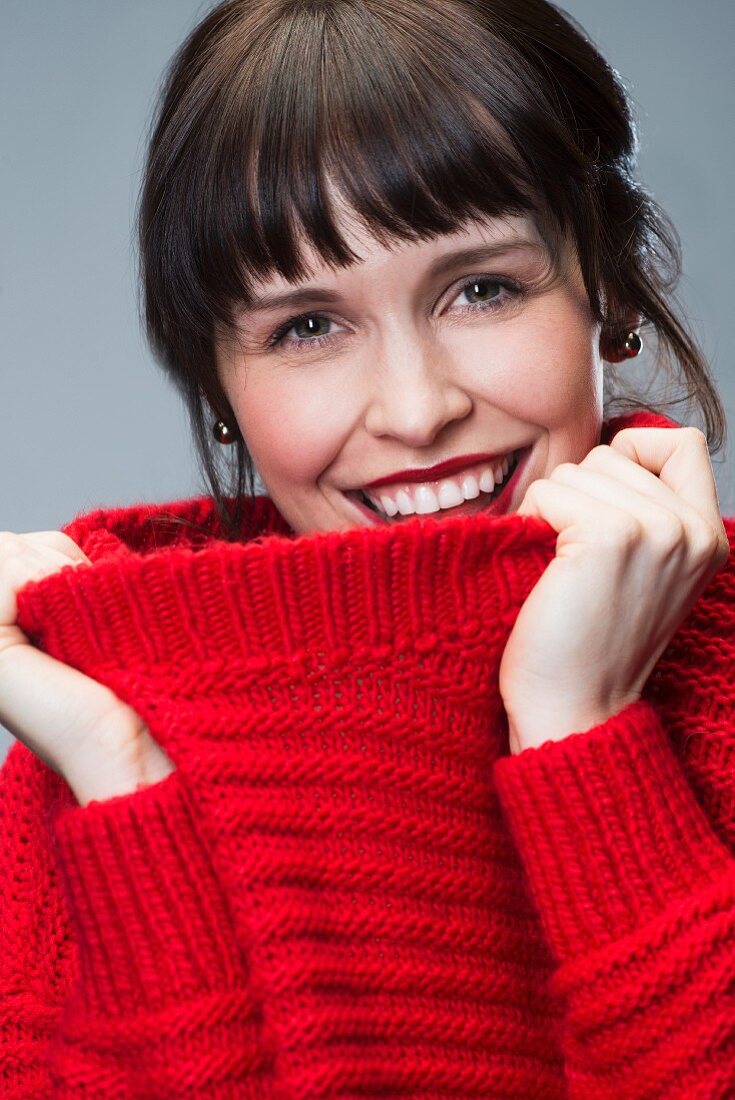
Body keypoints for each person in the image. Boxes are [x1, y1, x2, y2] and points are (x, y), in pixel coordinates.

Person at [1, 0, 733, 1096]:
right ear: (218, 386)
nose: (415, 408)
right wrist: (124, 781)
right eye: (307, 326)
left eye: (482, 288)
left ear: (609, 286)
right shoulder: (93, 726)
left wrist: (584, 738)